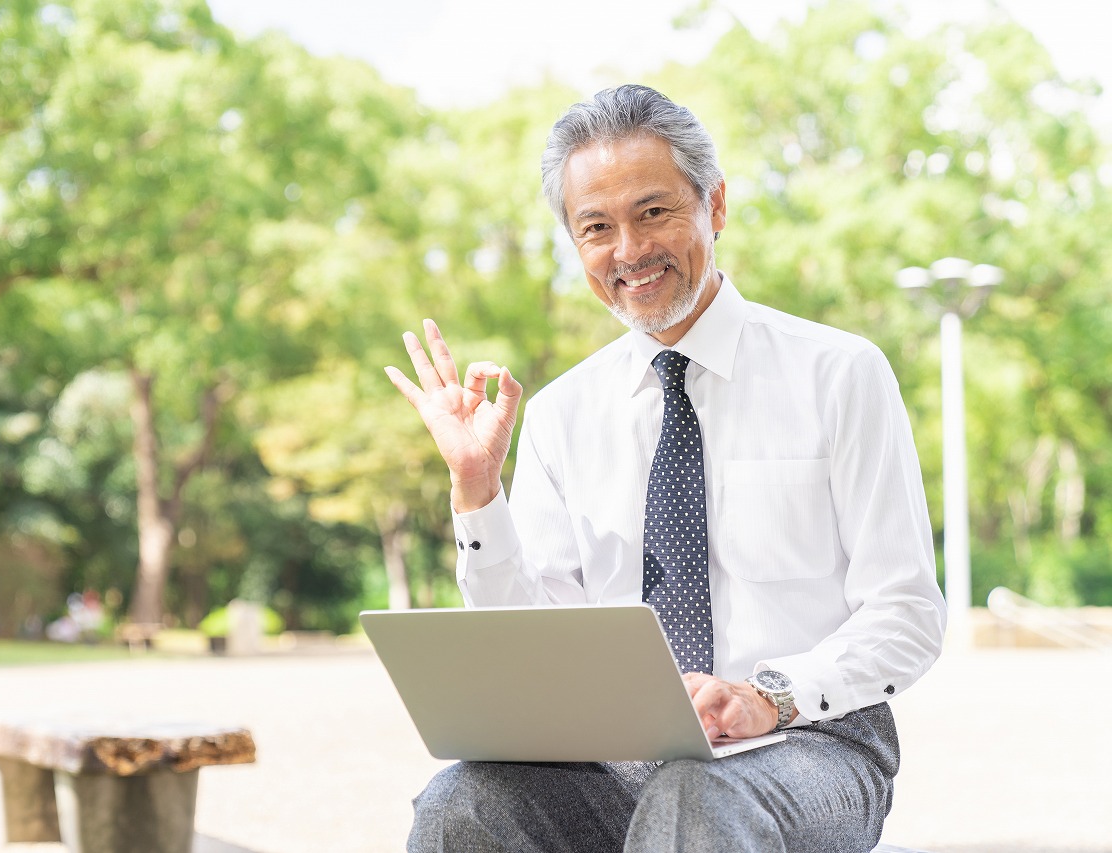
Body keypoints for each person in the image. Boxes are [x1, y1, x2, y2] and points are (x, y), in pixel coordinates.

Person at [384, 84, 945, 853]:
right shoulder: (560, 413)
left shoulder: (840, 374)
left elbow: (907, 613)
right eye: (596, 228)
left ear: (714, 205)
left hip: (812, 741)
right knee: (462, 801)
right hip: (616, 759)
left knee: (695, 798)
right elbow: (535, 636)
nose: (629, 251)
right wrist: (478, 492)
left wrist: (765, 697)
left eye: (654, 212)